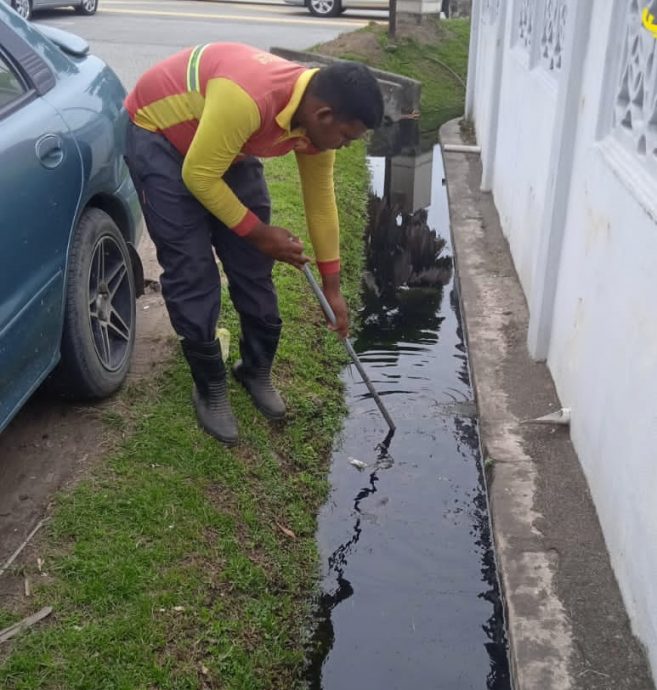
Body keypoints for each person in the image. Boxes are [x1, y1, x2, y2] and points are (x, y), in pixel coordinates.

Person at [123, 42, 384, 446]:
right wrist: (261, 233)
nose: (345, 145)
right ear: (324, 115)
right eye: (347, 137)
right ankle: (210, 386)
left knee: (251, 262)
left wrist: (332, 288)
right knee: (192, 268)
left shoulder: (314, 125)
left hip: (222, 142)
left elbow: (319, 203)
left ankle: (255, 369)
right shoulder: (249, 98)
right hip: (160, 136)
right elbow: (199, 176)